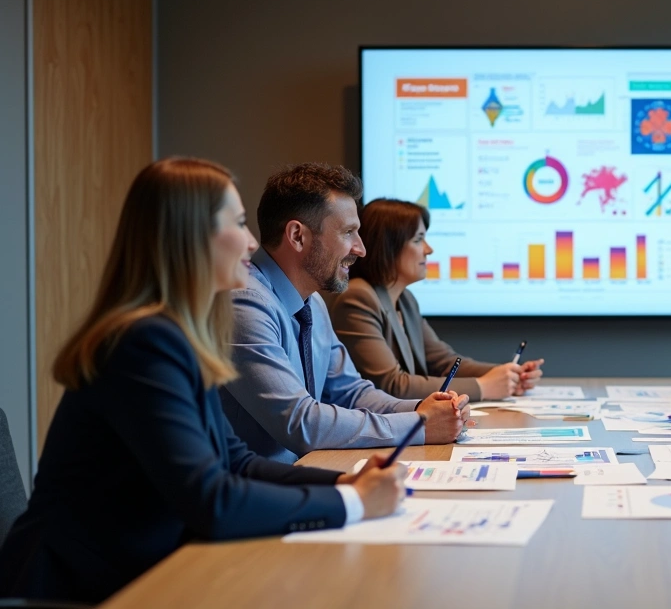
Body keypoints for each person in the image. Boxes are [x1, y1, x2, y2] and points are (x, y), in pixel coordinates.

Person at [0, 158, 409, 603]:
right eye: (237, 223)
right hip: (78, 589)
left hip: (145, 569)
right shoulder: (144, 343)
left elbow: (236, 462)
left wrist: (342, 485)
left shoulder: (177, 334)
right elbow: (212, 501)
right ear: (189, 239)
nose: (253, 241)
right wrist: (353, 504)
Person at [220, 163, 468, 464]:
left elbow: (351, 393)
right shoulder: (245, 304)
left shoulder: (313, 304)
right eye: (349, 232)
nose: (360, 249)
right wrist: (420, 425)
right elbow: (301, 423)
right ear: (297, 236)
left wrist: (423, 410)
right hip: (258, 494)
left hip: (303, 477)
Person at [329, 199, 544, 401]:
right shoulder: (357, 298)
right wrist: (484, 386)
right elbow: (392, 385)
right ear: (388, 247)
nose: (428, 250)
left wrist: (507, 374)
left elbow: (444, 362)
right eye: (418, 239)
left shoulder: (405, 300)